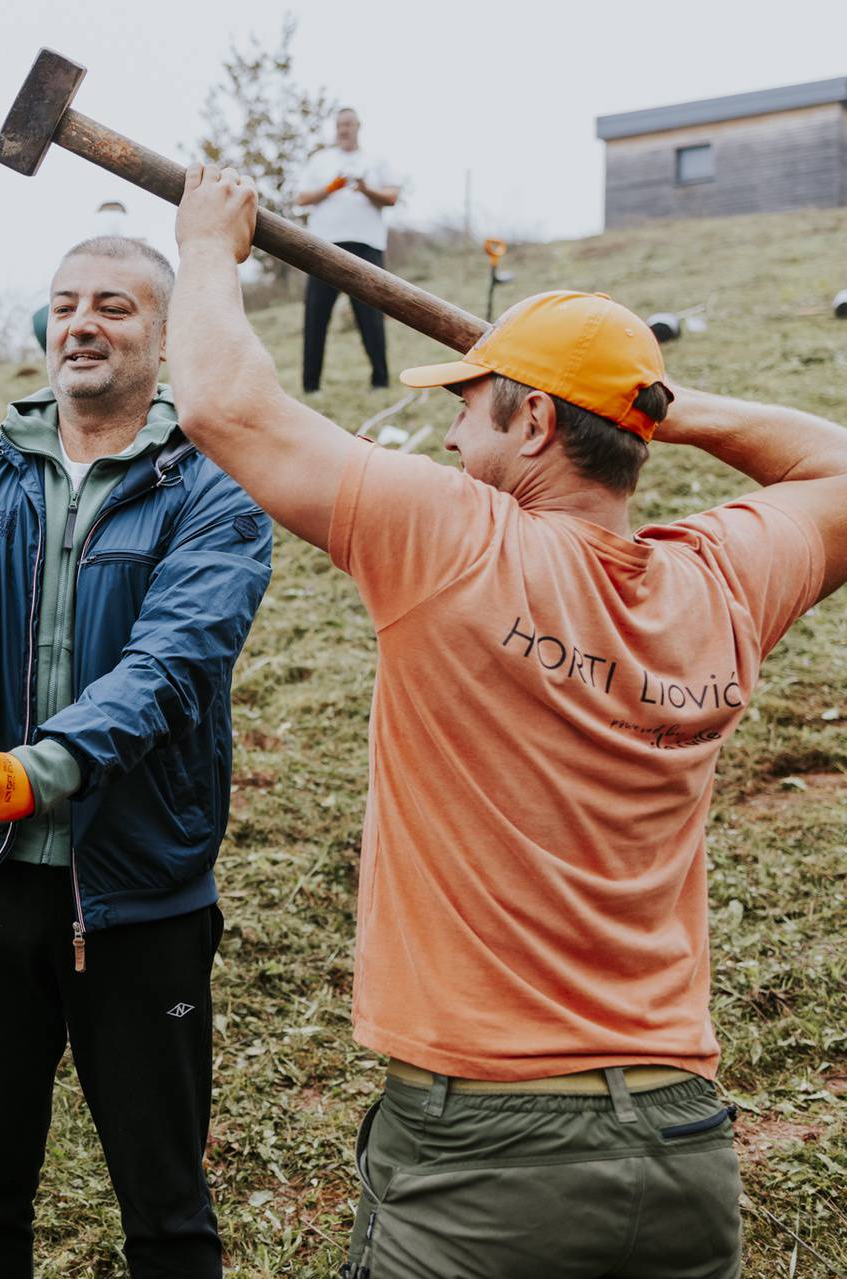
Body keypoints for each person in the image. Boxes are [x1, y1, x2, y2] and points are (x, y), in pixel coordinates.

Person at [168, 164, 847, 1278]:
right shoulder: (720, 580)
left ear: (532, 420)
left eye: (468, 412)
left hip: (483, 1159)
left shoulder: (456, 538)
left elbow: (223, 405)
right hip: (680, 1145)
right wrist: (668, 406)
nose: (449, 444)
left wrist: (206, 245)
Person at [0, 236, 273, 1277]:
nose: (83, 323)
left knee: (166, 1207)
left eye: (114, 305)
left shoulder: (209, 482)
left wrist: (39, 768)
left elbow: (172, 664)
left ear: (162, 336)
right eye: (65, 305)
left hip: (141, 897)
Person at [294, 108, 400, 392]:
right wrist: (331, 187)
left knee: (371, 317)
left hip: (366, 246)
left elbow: (391, 196)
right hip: (323, 246)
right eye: (340, 125)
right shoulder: (320, 160)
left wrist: (365, 189)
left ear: (358, 126)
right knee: (316, 316)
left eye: (349, 124)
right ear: (335, 128)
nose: (344, 129)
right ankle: (311, 386)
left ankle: (380, 381)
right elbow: (302, 197)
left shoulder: (375, 160)